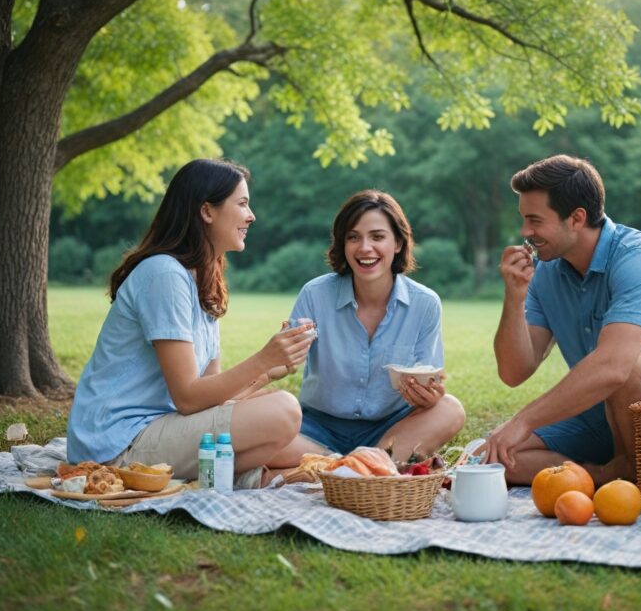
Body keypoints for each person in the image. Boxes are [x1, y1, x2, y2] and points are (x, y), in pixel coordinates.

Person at [66, 158, 315, 486]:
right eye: (242, 204)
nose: (251, 215)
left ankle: (346, 465)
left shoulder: (202, 281)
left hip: (164, 425)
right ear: (207, 211)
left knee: (292, 438)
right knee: (284, 410)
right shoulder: (164, 274)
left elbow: (211, 399)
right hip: (116, 444)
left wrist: (270, 370)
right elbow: (187, 396)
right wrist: (263, 358)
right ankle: (248, 476)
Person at [484, 155, 641, 486]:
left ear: (576, 218)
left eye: (534, 220)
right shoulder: (547, 272)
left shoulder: (637, 258)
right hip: (600, 413)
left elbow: (614, 368)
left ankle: (639, 477)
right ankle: (610, 474)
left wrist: (525, 419)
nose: (525, 232)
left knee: (629, 362)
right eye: (524, 220)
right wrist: (514, 297)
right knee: (493, 458)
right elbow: (513, 372)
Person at [266, 190, 465, 468]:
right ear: (342, 244)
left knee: (450, 410)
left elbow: (430, 382)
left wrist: (429, 398)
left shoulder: (425, 304)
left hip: (388, 429)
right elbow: (282, 363)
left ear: (398, 242)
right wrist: (280, 353)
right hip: (316, 430)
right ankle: (366, 467)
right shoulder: (315, 294)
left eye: (377, 237)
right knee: (256, 432)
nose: (364, 248)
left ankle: (342, 467)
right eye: (353, 237)